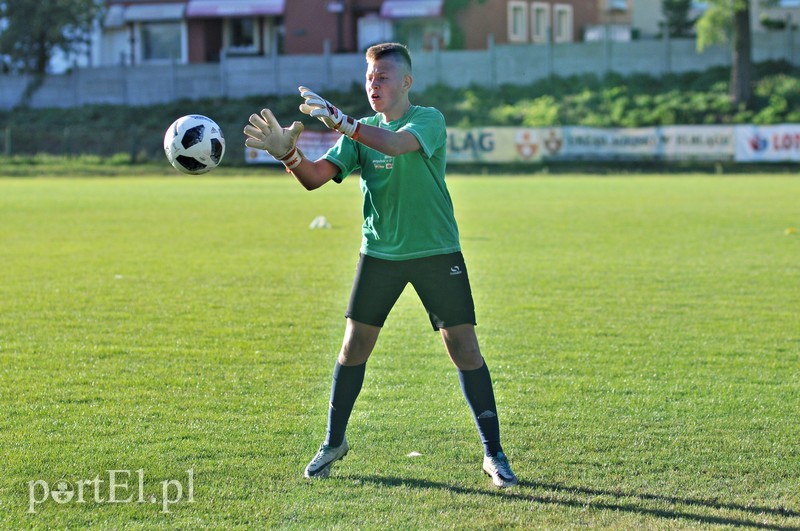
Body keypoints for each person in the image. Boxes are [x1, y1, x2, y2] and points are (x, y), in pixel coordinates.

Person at [243, 42, 517, 488]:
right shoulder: (359, 132)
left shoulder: (427, 120)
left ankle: (494, 453)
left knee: (464, 349)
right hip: (380, 256)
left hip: (436, 252)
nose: (374, 84)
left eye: (384, 77)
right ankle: (334, 442)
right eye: (369, 77)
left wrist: (341, 121)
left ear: (406, 82)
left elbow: (394, 143)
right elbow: (316, 179)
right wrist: (286, 154)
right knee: (353, 348)